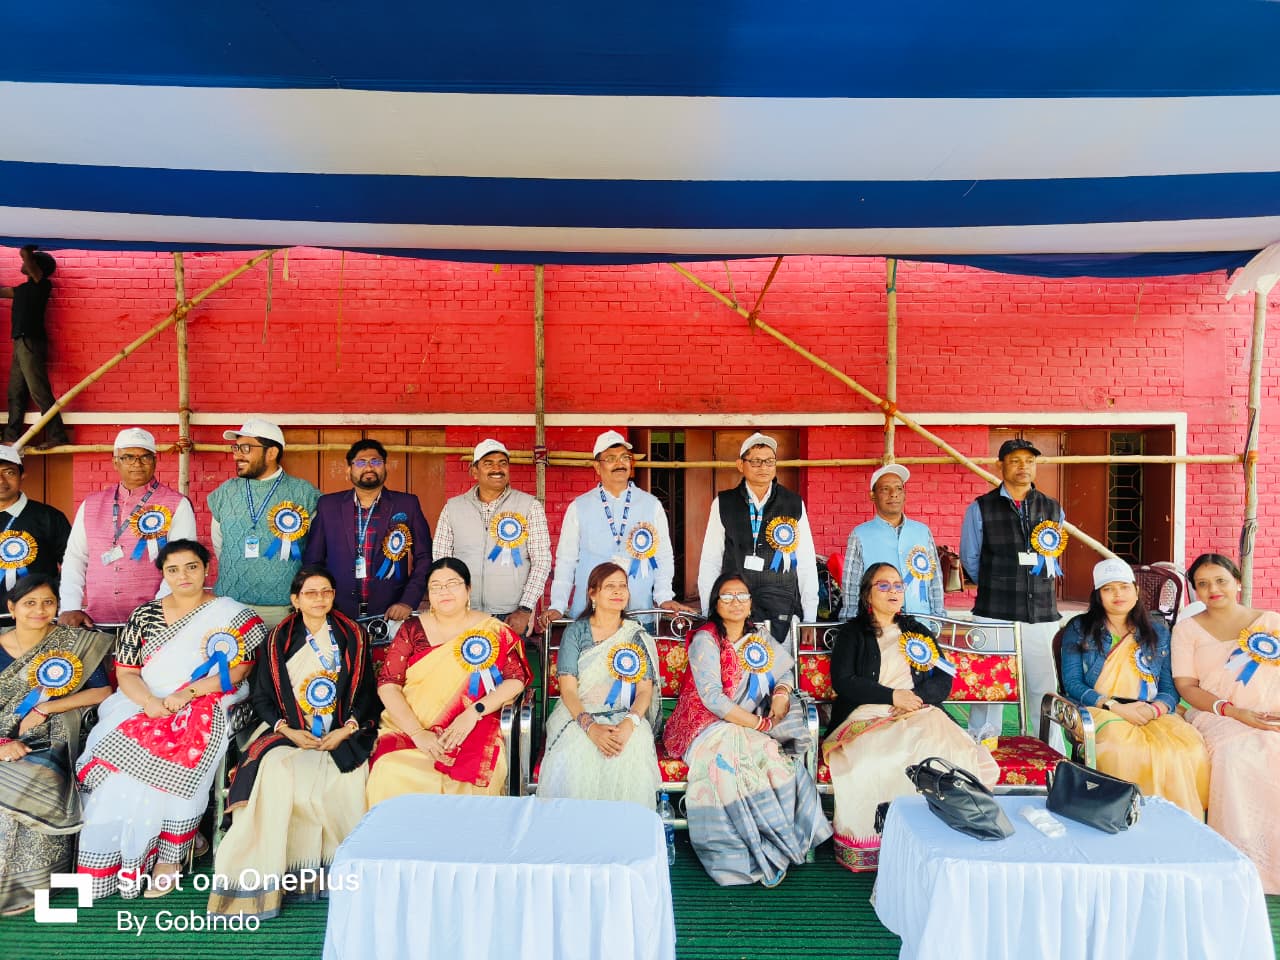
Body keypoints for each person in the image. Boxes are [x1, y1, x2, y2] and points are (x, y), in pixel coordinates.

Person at [75, 539, 267, 900]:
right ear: (163, 573)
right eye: (173, 569)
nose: (183, 576)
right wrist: (150, 702)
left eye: (192, 567)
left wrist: (188, 693)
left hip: (208, 696)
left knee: (180, 753)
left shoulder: (231, 614)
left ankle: (170, 857)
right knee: (117, 772)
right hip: (143, 699)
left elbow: (239, 669)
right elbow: (127, 672)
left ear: (207, 569)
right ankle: (125, 860)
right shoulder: (144, 615)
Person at [209, 565, 377, 920]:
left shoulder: (353, 635)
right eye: (310, 593)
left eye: (326, 592)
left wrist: (347, 728)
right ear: (295, 600)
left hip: (340, 732)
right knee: (277, 774)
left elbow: (365, 693)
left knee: (347, 780)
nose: (319, 599)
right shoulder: (278, 639)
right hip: (286, 733)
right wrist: (287, 730)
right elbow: (261, 697)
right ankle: (268, 879)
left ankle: (334, 874)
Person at [823, 563, 998, 872]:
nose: (893, 591)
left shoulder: (917, 631)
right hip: (868, 714)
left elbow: (944, 678)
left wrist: (914, 699)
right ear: (867, 594)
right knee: (875, 761)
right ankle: (882, 844)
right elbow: (844, 681)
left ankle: (940, 839)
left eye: (897, 585)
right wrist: (892, 697)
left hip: (919, 711)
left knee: (948, 754)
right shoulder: (853, 633)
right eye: (883, 585)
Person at [663, 572, 830, 886]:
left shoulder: (759, 637)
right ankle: (741, 854)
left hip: (748, 726)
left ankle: (780, 841)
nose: (735, 602)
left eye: (742, 596)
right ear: (716, 603)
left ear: (751, 603)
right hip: (703, 725)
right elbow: (713, 698)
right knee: (732, 763)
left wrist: (781, 694)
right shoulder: (706, 639)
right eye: (727, 596)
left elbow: (784, 671)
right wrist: (759, 724)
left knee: (771, 754)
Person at [365, 558, 530, 806]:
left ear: (468, 589)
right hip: (411, 729)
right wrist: (418, 733)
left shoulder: (493, 629)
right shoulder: (412, 629)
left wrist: (474, 712)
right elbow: (388, 684)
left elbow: (516, 679)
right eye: (436, 586)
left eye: (452, 583)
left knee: (477, 776)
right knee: (389, 770)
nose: (444, 591)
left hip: (471, 728)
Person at [1060, 558, 1208, 818]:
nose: (1118, 594)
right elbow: (1072, 683)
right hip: (1101, 709)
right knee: (1126, 750)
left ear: (1136, 591)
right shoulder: (1080, 628)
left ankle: (1172, 822)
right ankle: (1123, 818)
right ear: (1098, 596)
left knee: (1187, 748)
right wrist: (1114, 707)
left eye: (1124, 587)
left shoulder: (1158, 632)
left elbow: (1168, 687)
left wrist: (1156, 709)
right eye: (1108, 589)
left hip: (1150, 711)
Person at [0, 574, 112, 915]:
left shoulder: (75, 643)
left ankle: (26, 885)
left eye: (48, 603)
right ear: (11, 608)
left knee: (36, 779)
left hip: (49, 736)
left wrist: (46, 708)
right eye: (29, 603)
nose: (39, 610)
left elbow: (102, 691)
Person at [1173, 553, 1280, 893]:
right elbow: (1186, 686)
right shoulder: (1187, 630)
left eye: (1220, 580)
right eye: (1202, 584)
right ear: (1194, 590)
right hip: (1218, 715)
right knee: (1239, 755)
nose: (1213, 589)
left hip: (1271, 710)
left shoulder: (1271, 622)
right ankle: (1248, 866)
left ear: (1237, 582)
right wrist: (1233, 712)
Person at [959, 438, 1064, 740]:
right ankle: (982, 750)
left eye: (1029, 461)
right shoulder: (981, 508)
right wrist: (998, 582)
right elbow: (970, 558)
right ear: (1000, 465)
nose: (1023, 467)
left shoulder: (1052, 508)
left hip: (1041, 613)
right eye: (1015, 460)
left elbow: (1052, 559)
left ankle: (1050, 754)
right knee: (989, 687)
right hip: (994, 612)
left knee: (1043, 688)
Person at [538, 562, 661, 809]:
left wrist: (629, 724)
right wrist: (591, 728)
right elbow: (568, 690)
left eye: (623, 586)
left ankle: (624, 829)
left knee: (633, 746)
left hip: (625, 715)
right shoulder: (576, 633)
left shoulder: (636, 635)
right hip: (578, 714)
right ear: (593, 593)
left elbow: (644, 691)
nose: (618, 592)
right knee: (577, 749)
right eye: (610, 586)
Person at [543, 431, 691, 626]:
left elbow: (663, 556)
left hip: (638, 612)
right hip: (590, 615)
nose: (620, 463)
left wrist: (663, 596)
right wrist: (558, 604)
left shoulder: (651, 504)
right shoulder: (579, 507)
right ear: (597, 466)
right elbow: (566, 560)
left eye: (625, 457)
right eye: (611, 459)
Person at [59, 428, 197, 628]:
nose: (137, 463)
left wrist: (157, 612)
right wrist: (70, 606)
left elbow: (182, 562)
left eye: (145, 457)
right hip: (95, 622)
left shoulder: (177, 504)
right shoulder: (91, 504)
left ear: (155, 461)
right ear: (115, 462)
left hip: (154, 623)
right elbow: (75, 557)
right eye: (128, 457)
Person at [697, 432, 818, 644]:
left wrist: (810, 618)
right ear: (740, 465)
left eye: (769, 461)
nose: (763, 467)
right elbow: (711, 560)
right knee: (736, 663)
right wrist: (710, 612)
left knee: (780, 664)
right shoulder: (724, 503)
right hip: (734, 608)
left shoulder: (793, 503)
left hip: (782, 608)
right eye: (755, 461)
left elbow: (806, 562)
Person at [303, 439, 432, 625]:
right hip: (337, 611)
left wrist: (407, 601)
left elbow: (424, 557)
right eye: (361, 462)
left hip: (391, 612)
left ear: (385, 467)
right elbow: (313, 561)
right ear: (348, 469)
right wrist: (320, 601)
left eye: (376, 461)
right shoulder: (328, 505)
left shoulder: (407, 504)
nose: (369, 467)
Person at [208, 419, 320, 628]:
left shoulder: (304, 493)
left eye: (246, 448)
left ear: (271, 453)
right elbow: (220, 545)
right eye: (236, 448)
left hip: (284, 608)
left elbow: (316, 550)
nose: (237, 455)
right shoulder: (225, 492)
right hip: (230, 606)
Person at [434, 439, 551, 637]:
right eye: (488, 463)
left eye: (502, 463)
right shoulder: (453, 508)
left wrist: (525, 609)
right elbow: (440, 562)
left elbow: (542, 561)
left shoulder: (529, 506)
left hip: (511, 615)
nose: (497, 469)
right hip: (463, 612)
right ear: (474, 471)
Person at [840, 464, 945, 618]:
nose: (893, 494)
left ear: (905, 494)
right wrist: (849, 622)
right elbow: (852, 586)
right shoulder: (860, 535)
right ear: (872, 496)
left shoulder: (922, 531)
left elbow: (935, 580)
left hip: (921, 622)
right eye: (885, 489)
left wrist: (937, 619)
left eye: (899, 488)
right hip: (879, 626)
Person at [1, 245, 70, 450]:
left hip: (31, 341)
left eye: (29, 262)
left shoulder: (43, 284)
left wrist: (28, 248)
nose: (23, 263)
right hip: (20, 342)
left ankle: (58, 435)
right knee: (15, 391)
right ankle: (11, 437)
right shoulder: (21, 290)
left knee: (39, 391)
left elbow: (25, 254)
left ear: (36, 266)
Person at [0, 444, 70, 609]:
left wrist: (51, 594)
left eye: (9, 472)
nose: (1, 480)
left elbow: (73, 565)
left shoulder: (49, 517)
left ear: (22, 476)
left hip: (37, 615)